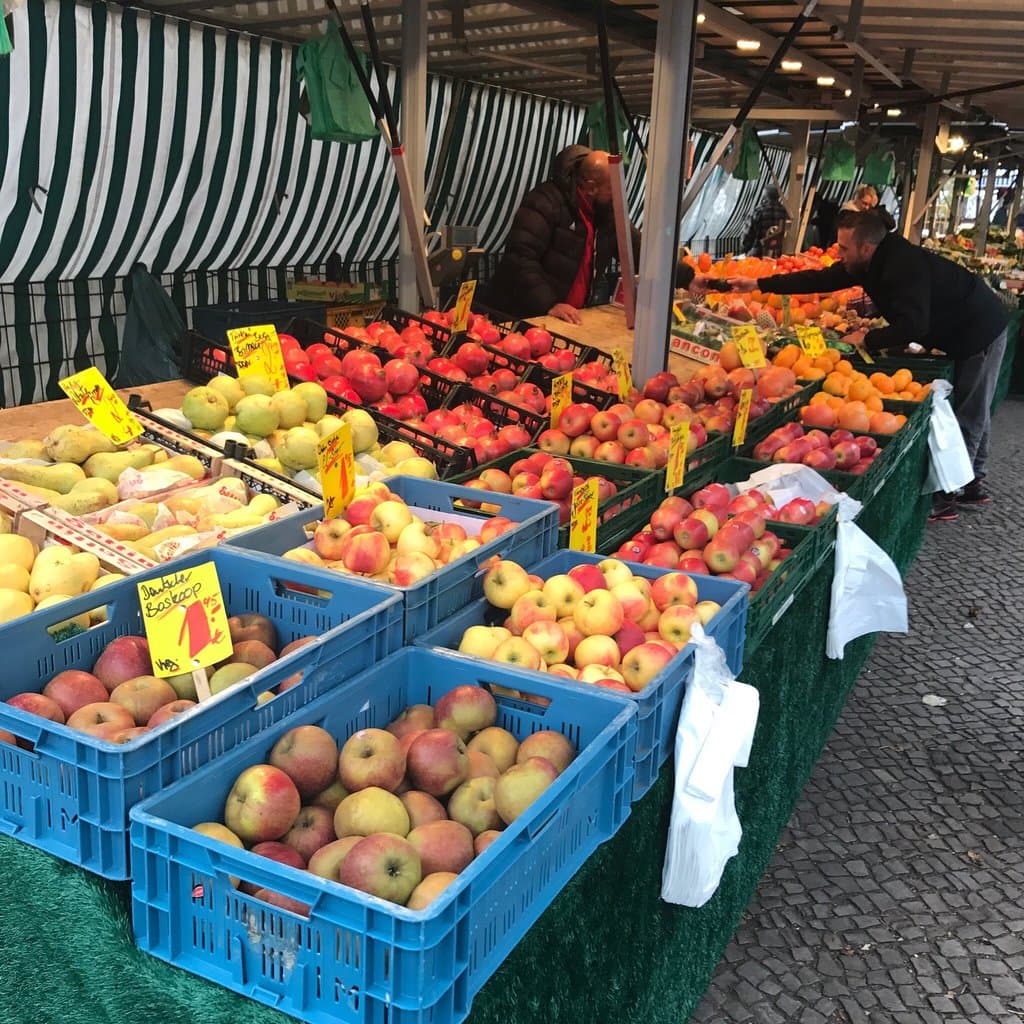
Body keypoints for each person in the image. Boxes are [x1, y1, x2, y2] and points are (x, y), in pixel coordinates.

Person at [726, 209, 1010, 522]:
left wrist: (868, 338)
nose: (839, 254)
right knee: (975, 405)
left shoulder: (902, 267)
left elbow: (914, 325)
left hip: (979, 330)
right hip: (962, 327)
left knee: (970, 411)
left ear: (866, 247)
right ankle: (973, 482)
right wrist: (758, 283)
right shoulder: (869, 261)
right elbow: (821, 278)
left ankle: (949, 495)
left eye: (844, 248)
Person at [482, 146, 694, 323]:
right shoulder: (545, 202)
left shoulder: (609, 212)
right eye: (612, 190)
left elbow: (637, 251)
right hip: (524, 316)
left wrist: (687, 277)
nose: (617, 196)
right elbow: (520, 257)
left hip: (570, 319)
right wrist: (549, 303)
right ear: (591, 187)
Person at [741, 186, 789, 258]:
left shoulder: (757, 211)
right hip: (778, 254)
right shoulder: (784, 211)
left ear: (764, 197)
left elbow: (746, 236)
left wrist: (745, 250)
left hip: (758, 254)